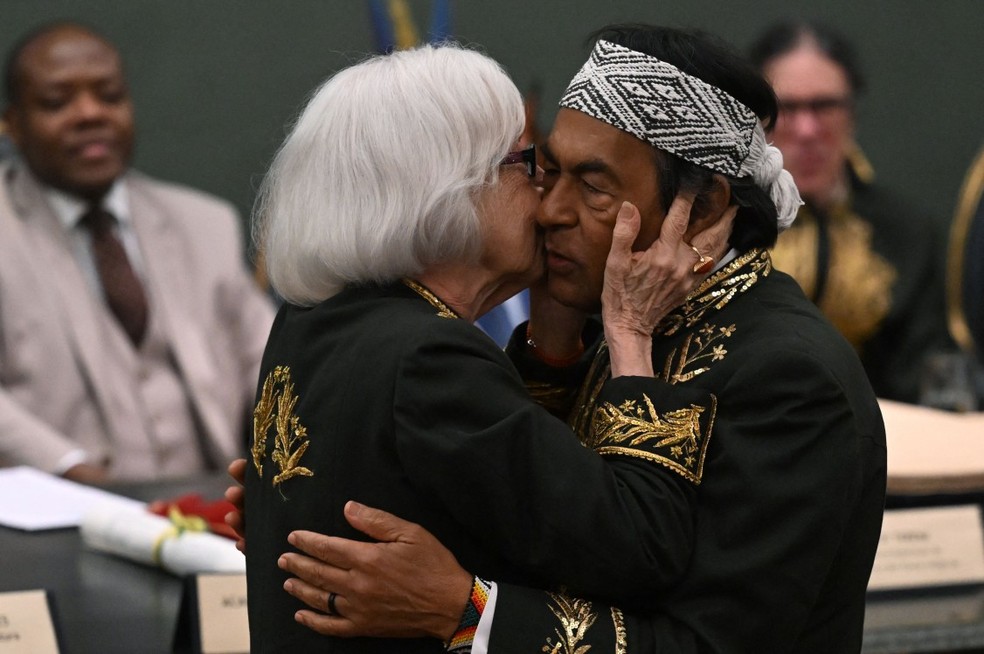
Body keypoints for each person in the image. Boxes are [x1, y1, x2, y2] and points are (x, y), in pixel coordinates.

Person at [250, 24, 887, 653]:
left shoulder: (788, 377)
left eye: (593, 185)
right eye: (546, 170)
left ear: (708, 206)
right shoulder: (617, 314)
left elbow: (709, 644)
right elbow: (545, 516)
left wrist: (465, 611)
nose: (551, 209)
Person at [0, 22, 275, 483]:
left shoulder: (203, 223)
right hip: (55, 518)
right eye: (56, 101)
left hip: (212, 508)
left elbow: (270, 359)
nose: (90, 113)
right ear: (12, 124)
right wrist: (65, 467)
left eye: (109, 95)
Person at [749, 20, 955, 404]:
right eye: (787, 108)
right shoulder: (717, 227)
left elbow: (928, 369)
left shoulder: (905, 233)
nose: (808, 129)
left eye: (825, 106)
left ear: (852, 113)